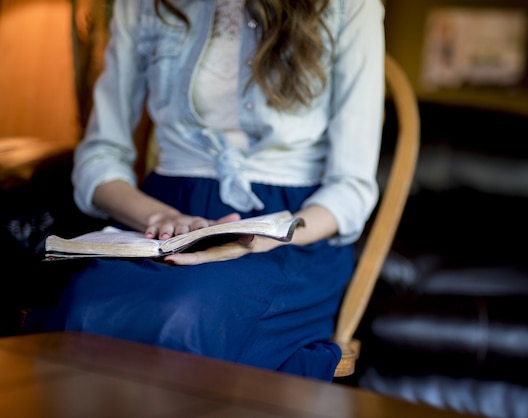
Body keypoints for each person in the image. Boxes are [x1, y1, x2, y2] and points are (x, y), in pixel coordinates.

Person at [34, 0, 385, 381]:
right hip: (164, 220)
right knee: (87, 304)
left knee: (186, 313)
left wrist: (264, 236)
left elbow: (350, 188)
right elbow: (100, 156)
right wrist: (158, 216)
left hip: (291, 233)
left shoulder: (350, 7)